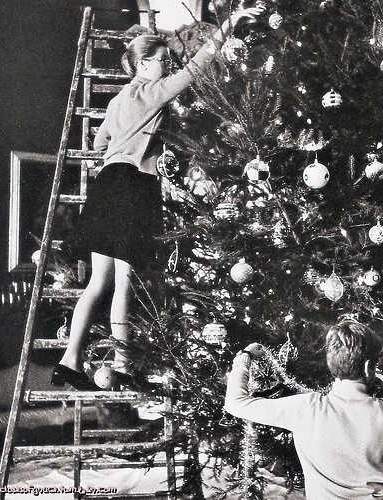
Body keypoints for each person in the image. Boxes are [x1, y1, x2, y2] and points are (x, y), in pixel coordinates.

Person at [51, 5, 264, 391]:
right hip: (133, 188)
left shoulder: (117, 101)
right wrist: (229, 24)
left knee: (98, 282)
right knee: (123, 284)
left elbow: (100, 143)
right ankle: (123, 365)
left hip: (108, 184)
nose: (167, 66)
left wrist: (130, 146)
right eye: (161, 61)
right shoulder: (151, 93)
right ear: (142, 65)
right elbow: (195, 70)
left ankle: (69, 360)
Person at [224, 321, 383, 499]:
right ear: (368, 367)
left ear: (331, 365)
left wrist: (244, 357)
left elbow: (236, 403)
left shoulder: (306, 408)